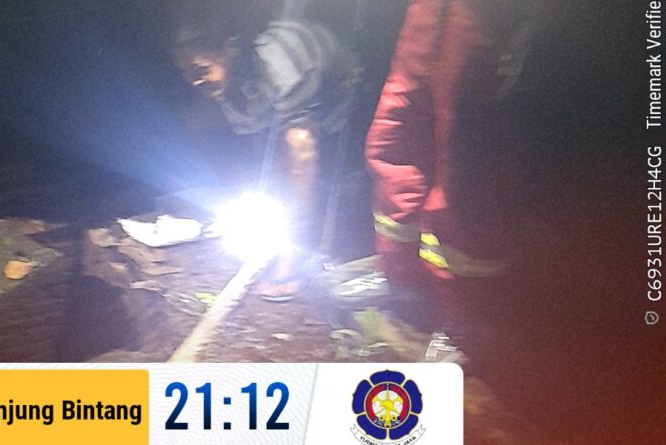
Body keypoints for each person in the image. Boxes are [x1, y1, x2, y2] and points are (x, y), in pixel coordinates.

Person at [174, 3, 357, 298]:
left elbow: (302, 153)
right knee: (272, 174)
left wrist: (289, 255)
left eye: (201, 69)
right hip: (280, 94)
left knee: (317, 172)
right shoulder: (225, 86)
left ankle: (305, 253)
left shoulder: (281, 70)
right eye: (187, 73)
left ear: (229, 48)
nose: (194, 81)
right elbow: (261, 147)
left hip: (339, 88)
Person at [365, 0, 537, 287]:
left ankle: (467, 300)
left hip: (484, 21)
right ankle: (399, 279)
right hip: (428, 17)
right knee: (394, 142)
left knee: (464, 167)